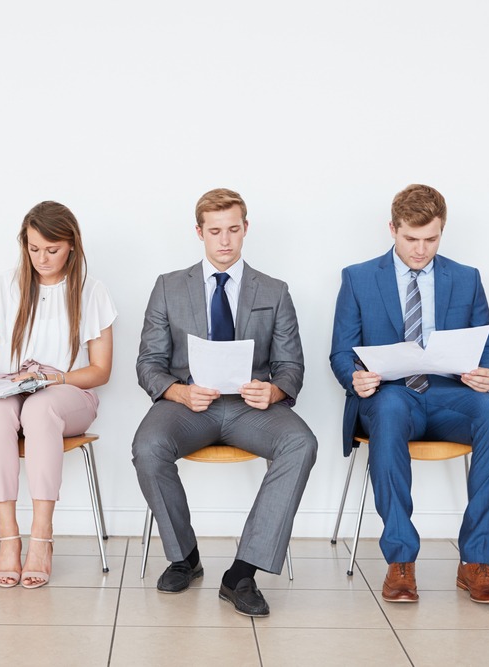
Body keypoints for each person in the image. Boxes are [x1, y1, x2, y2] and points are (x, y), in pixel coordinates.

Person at [131, 188, 317, 618]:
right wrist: (178, 392)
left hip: (252, 408)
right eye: (215, 231)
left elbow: (291, 365)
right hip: (186, 404)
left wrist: (274, 391)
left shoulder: (274, 289)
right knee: (148, 447)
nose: (225, 241)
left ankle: (242, 573)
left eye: (234, 229)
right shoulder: (168, 287)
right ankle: (185, 557)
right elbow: (149, 363)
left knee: (301, 444)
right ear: (199, 232)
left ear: (246, 229)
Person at [329, 184, 489, 604]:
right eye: (411, 239)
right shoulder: (358, 278)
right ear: (391, 228)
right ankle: (401, 561)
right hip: (391, 395)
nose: (420, 249)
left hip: (449, 395)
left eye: (431, 239)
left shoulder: (466, 278)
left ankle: (476, 562)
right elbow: (342, 350)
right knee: (390, 410)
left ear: (442, 230)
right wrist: (354, 377)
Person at [0, 201, 115, 589]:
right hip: (11, 389)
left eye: (52, 250)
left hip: (68, 395)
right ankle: (8, 538)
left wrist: (58, 378)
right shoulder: (1, 286)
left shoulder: (90, 291)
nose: (42, 258)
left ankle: (41, 537)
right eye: (33, 249)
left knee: (41, 407)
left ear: (72, 246)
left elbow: (100, 371)